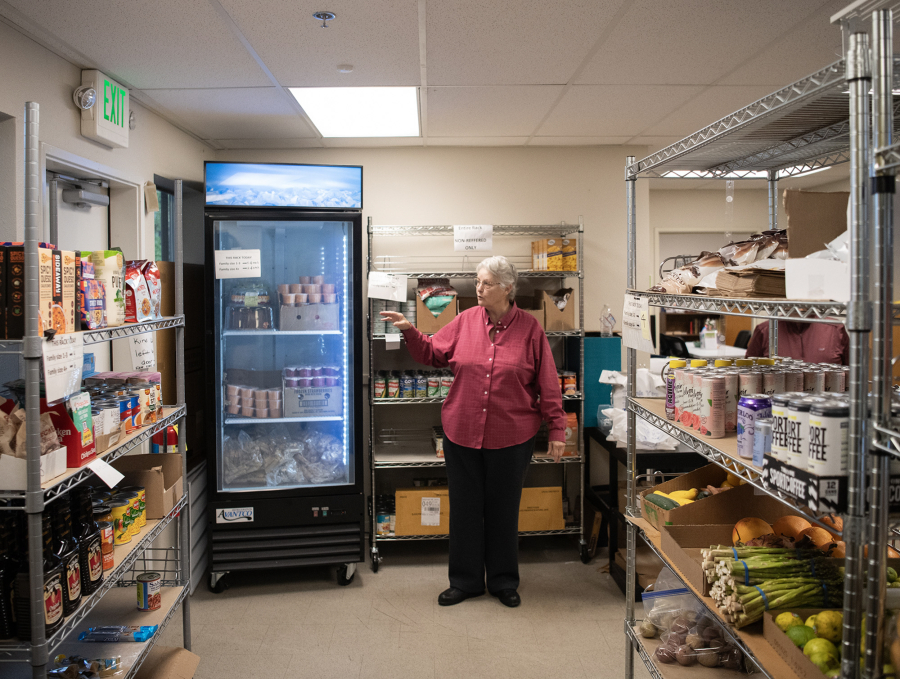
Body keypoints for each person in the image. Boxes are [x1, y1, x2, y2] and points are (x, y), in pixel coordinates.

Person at [380, 255, 566, 609]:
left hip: (512, 435)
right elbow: (432, 353)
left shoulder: (530, 329)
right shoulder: (464, 321)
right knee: (465, 509)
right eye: (478, 282)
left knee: (503, 510)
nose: (478, 289)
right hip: (461, 431)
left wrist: (557, 428)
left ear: (507, 289)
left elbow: (547, 382)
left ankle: (503, 580)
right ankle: (465, 581)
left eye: (486, 284)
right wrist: (408, 329)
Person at [745, 320, 849, 365]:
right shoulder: (765, 330)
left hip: (829, 407)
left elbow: (854, 373)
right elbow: (747, 372)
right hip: (777, 407)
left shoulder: (835, 329)